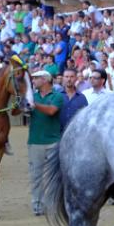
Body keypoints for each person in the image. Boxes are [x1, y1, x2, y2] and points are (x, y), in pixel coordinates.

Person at [28, 69, 64, 217]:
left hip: (52, 141)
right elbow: (16, 112)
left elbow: (51, 111)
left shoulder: (56, 96)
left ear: (44, 80)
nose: (33, 81)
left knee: (54, 176)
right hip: (37, 141)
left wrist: (33, 105)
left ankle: (52, 203)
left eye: (36, 79)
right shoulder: (32, 96)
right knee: (36, 175)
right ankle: (37, 203)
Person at [59, 67, 88, 133]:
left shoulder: (82, 97)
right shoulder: (56, 95)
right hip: (57, 135)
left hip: (75, 134)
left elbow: (85, 117)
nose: (69, 79)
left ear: (76, 78)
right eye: (66, 77)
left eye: (72, 77)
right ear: (63, 78)